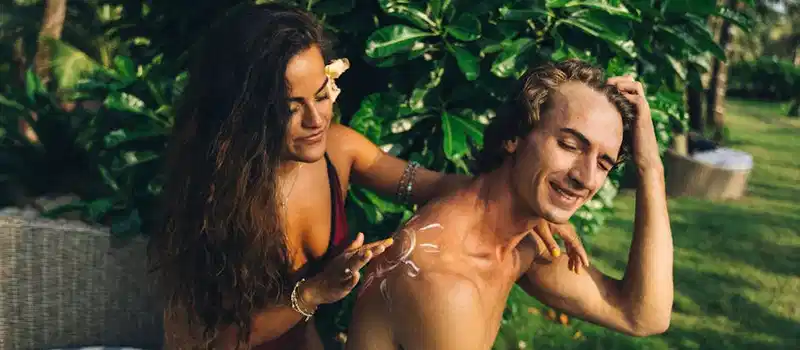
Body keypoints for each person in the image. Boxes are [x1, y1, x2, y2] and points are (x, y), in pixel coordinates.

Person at [147, 4, 587, 349]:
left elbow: (433, 185)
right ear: (242, 111)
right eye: (289, 108)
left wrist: (528, 205)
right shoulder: (208, 201)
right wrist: (314, 293)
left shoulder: (338, 151)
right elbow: (197, 342)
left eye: (322, 94)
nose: (316, 119)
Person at [346, 59, 674, 350]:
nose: (586, 177)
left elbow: (642, 315)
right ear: (514, 136)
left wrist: (651, 168)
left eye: (603, 163)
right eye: (569, 145)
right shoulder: (445, 284)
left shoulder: (520, 244)